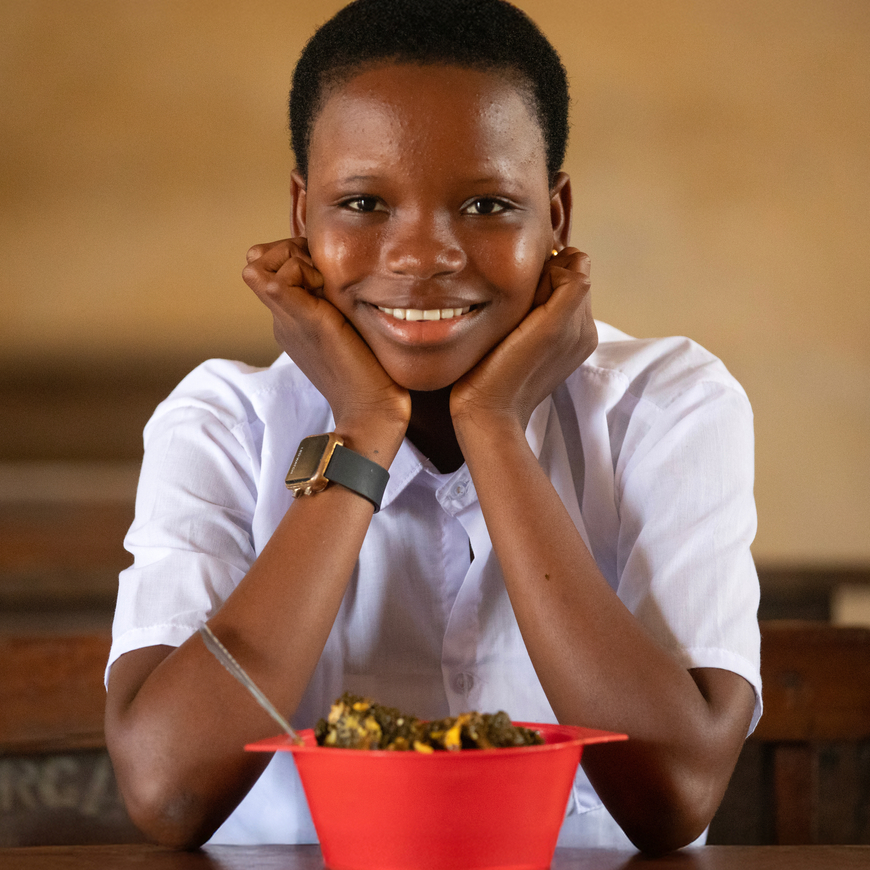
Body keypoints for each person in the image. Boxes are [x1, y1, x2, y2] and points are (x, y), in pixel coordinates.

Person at [104, 0, 761, 854]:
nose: (421, 256)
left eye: (487, 205)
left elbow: (673, 796)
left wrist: (493, 425)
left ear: (555, 218)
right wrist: (365, 425)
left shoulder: (667, 408)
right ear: (303, 214)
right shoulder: (224, 425)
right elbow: (166, 789)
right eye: (365, 202)